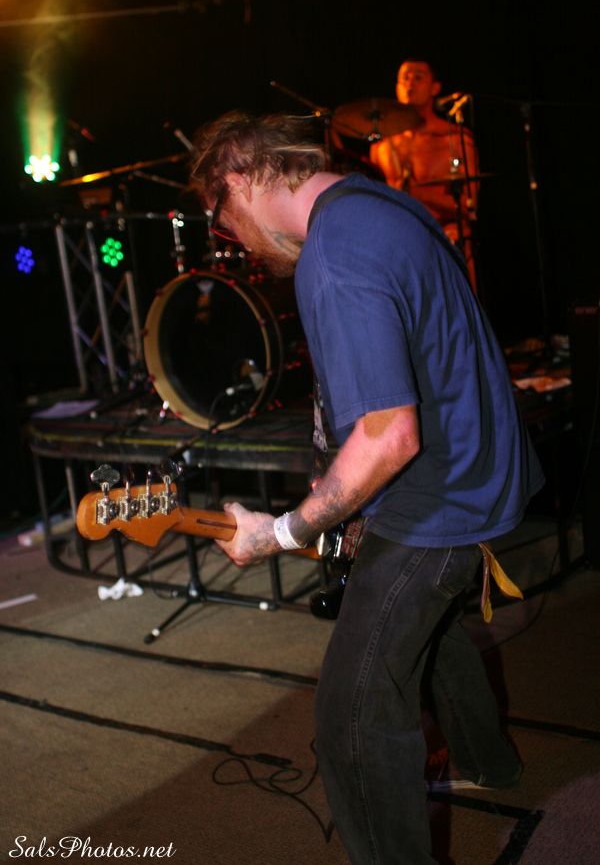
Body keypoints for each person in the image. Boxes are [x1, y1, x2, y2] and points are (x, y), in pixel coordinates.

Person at [191, 111, 544, 865]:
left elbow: (389, 437)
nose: (233, 242)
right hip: (474, 465)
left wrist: (281, 532)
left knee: (351, 714)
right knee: (425, 624)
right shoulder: (375, 201)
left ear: (239, 180)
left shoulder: (333, 253)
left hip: (439, 496)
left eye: (222, 222)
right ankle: (489, 762)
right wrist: (351, 499)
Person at [370, 58, 480, 293]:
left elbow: (468, 205)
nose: (410, 83)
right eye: (404, 78)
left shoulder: (453, 138)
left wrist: (415, 193)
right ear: (397, 88)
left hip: (445, 244)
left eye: (418, 77)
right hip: (398, 250)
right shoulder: (382, 147)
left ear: (435, 87)